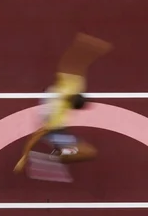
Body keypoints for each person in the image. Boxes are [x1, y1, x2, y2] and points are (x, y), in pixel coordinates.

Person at [13, 33, 113, 182]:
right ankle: (59, 155)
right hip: (53, 128)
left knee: (85, 151)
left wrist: (83, 48)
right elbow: (37, 134)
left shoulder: (73, 86)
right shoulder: (55, 116)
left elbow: (72, 65)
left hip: (53, 103)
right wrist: (24, 157)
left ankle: (63, 151)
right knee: (89, 153)